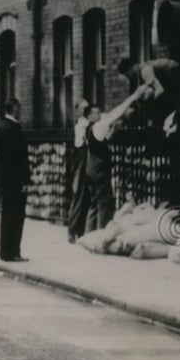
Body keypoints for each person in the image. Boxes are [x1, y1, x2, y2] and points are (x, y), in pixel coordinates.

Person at [84, 87, 146, 232]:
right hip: (99, 170)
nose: (101, 114)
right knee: (105, 203)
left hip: (90, 169)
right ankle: (102, 235)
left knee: (93, 204)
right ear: (90, 115)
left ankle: (88, 235)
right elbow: (115, 113)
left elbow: (109, 116)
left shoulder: (89, 128)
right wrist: (133, 97)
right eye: (97, 113)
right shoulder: (99, 125)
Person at [0, 98, 30, 262]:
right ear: (14, 108)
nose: (20, 110)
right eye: (19, 107)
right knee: (16, 216)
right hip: (15, 181)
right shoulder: (13, 129)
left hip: (5, 180)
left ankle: (5, 251)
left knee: (7, 216)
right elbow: (19, 158)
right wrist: (24, 180)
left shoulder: (1, 128)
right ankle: (14, 251)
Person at [66, 99, 91, 243]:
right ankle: (73, 229)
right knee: (79, 195)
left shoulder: (84, 122)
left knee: (84, 196)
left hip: (84, 161)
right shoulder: (82, 123)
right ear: (78, 110)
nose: (85, 110)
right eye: (84, 108)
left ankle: (79, 230)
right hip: (81, 162)